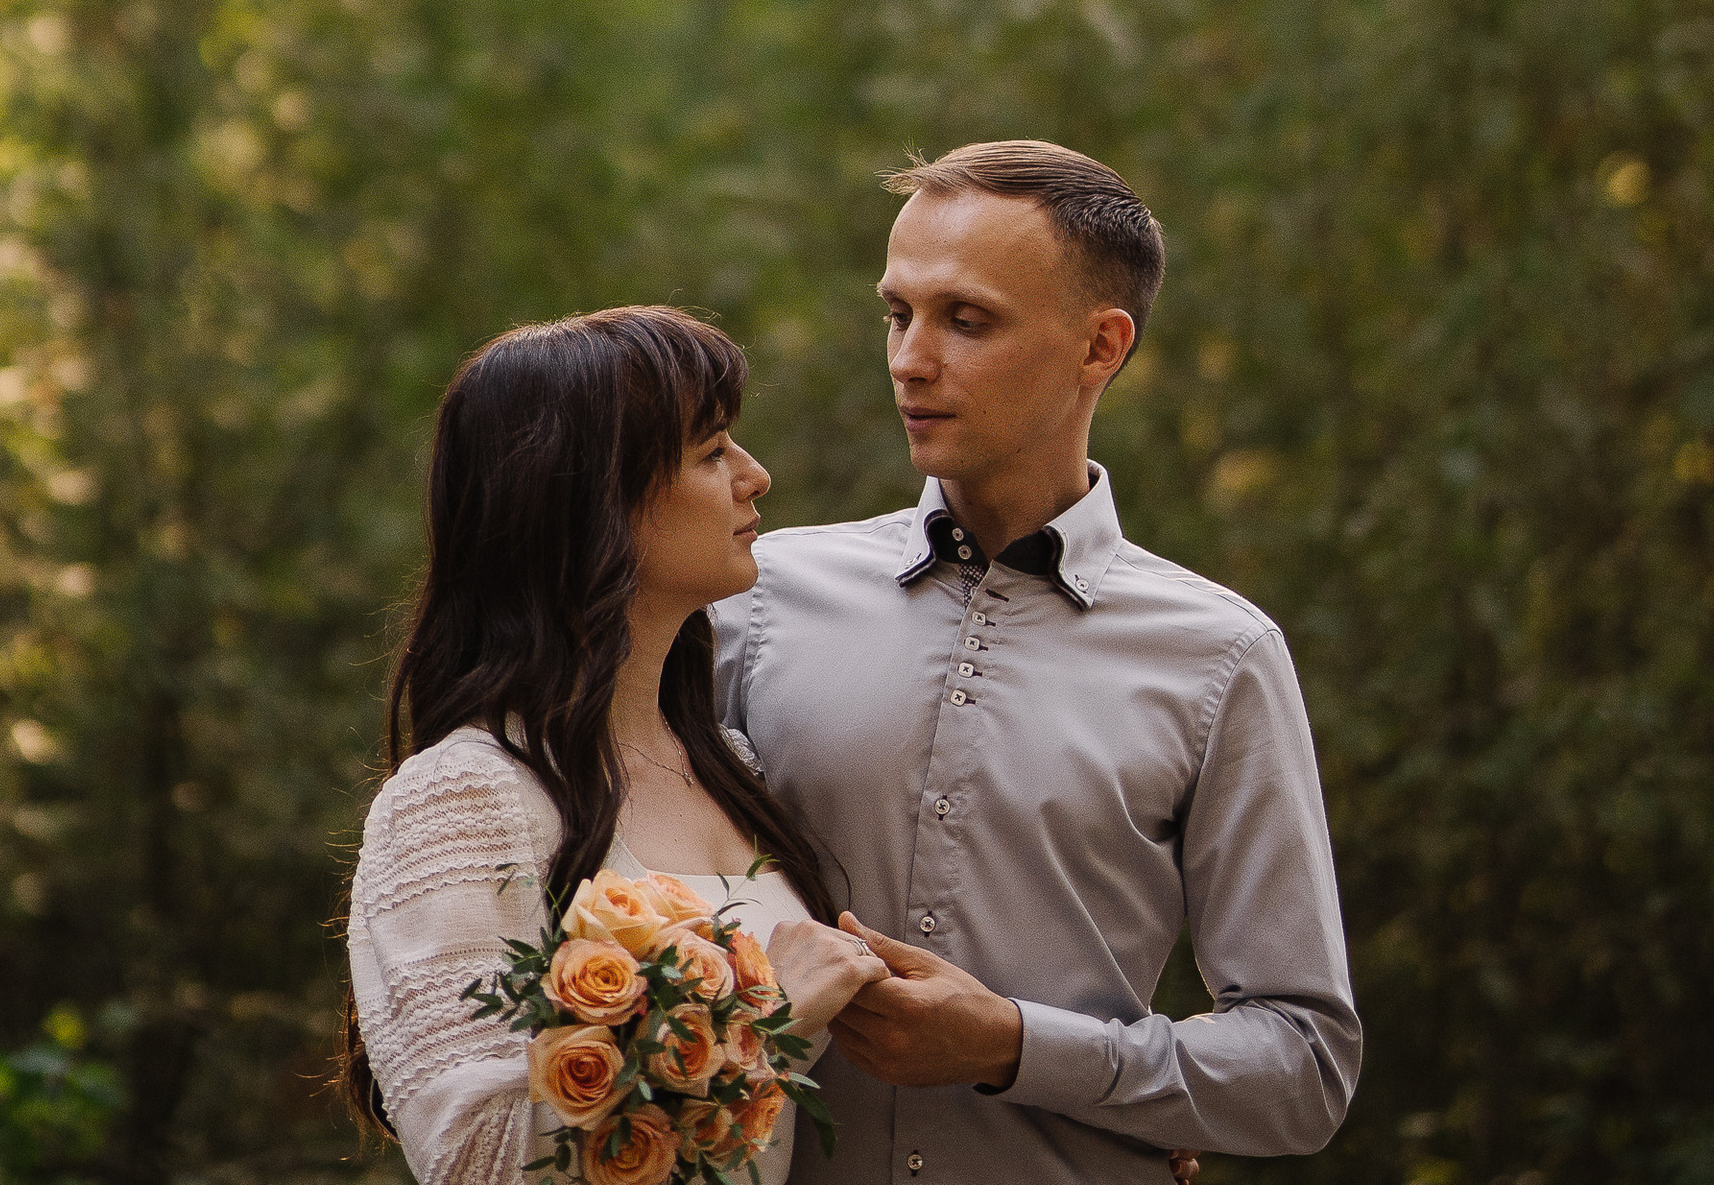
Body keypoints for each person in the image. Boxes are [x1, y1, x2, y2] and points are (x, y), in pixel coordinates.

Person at [714, 142, 1362, 1185]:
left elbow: (1303, 1069)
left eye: (965, 320)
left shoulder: (1219, 658)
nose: (909, 359)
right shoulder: (751, 598)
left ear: (1100, 346)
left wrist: (1015, 1047)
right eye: (897, 313)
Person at [348, 306, 882, 1185]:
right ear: (594, 501)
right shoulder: (464, 799)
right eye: (711, 453)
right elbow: (472, 1157)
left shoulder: (732, 767)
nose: (756, 476)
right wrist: (769, 1011)